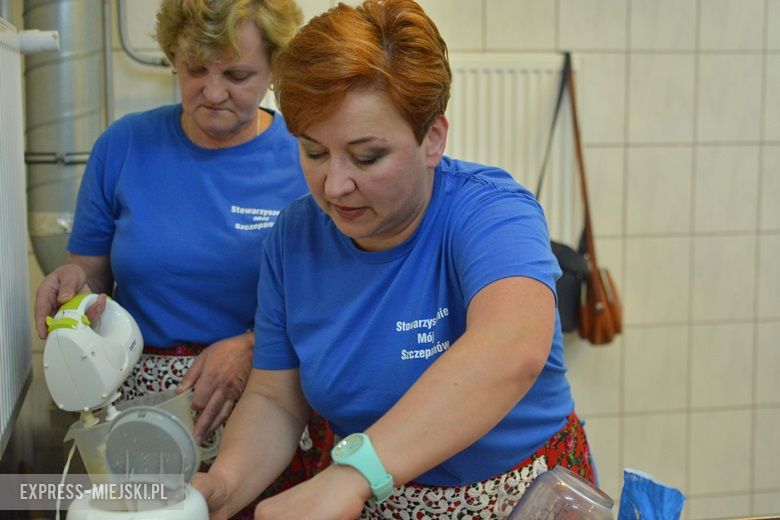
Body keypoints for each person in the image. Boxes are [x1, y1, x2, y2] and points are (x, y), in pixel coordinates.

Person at [194, 0, 596, 518]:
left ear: (432, 138)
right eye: (314, 153)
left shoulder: (489, 211)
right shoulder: (293, 240)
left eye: (366, 157)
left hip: (522, 497)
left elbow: (511, 348)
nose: (335, 185)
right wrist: (225, 484)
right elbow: (276, 399)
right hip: (382, 501)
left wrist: (354, 475)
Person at [33, 0, 331, 500]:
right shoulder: (124, 145)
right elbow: (90, 275)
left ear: (276, 68)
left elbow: (334, 296)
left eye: (237, 74)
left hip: (267, 394)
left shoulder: (307, 155)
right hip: (143, 406)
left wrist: (254, 345)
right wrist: (73, 290)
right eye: (196, 70)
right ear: (173, 57)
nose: (213, 93)